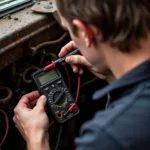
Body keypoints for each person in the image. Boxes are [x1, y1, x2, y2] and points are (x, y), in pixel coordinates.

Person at [13, 0, 150, 150]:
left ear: (86, 33)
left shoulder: (107, 137)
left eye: (68, 30)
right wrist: (116, 77)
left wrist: (35, 137)